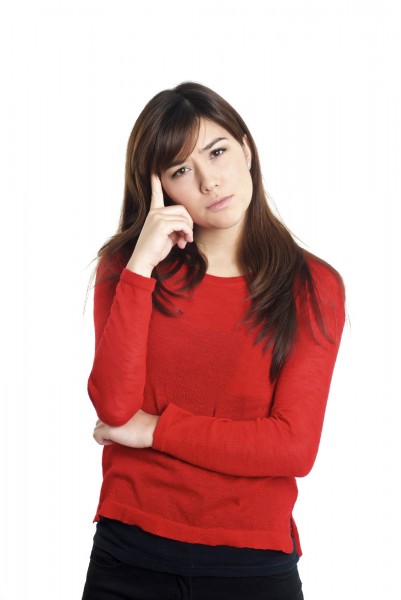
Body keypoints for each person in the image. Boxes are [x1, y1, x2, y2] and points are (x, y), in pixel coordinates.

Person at [81, 81, 345, 600]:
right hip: (129, 555)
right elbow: (114, 407)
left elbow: (293, 446)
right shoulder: (127, 269)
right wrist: (140, 265)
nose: (209, 181)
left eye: (218, 152)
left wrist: (154, 430)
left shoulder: (311, 285)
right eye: (181, 170)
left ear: (247, 148)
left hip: (253, 566)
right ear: (159, 188)